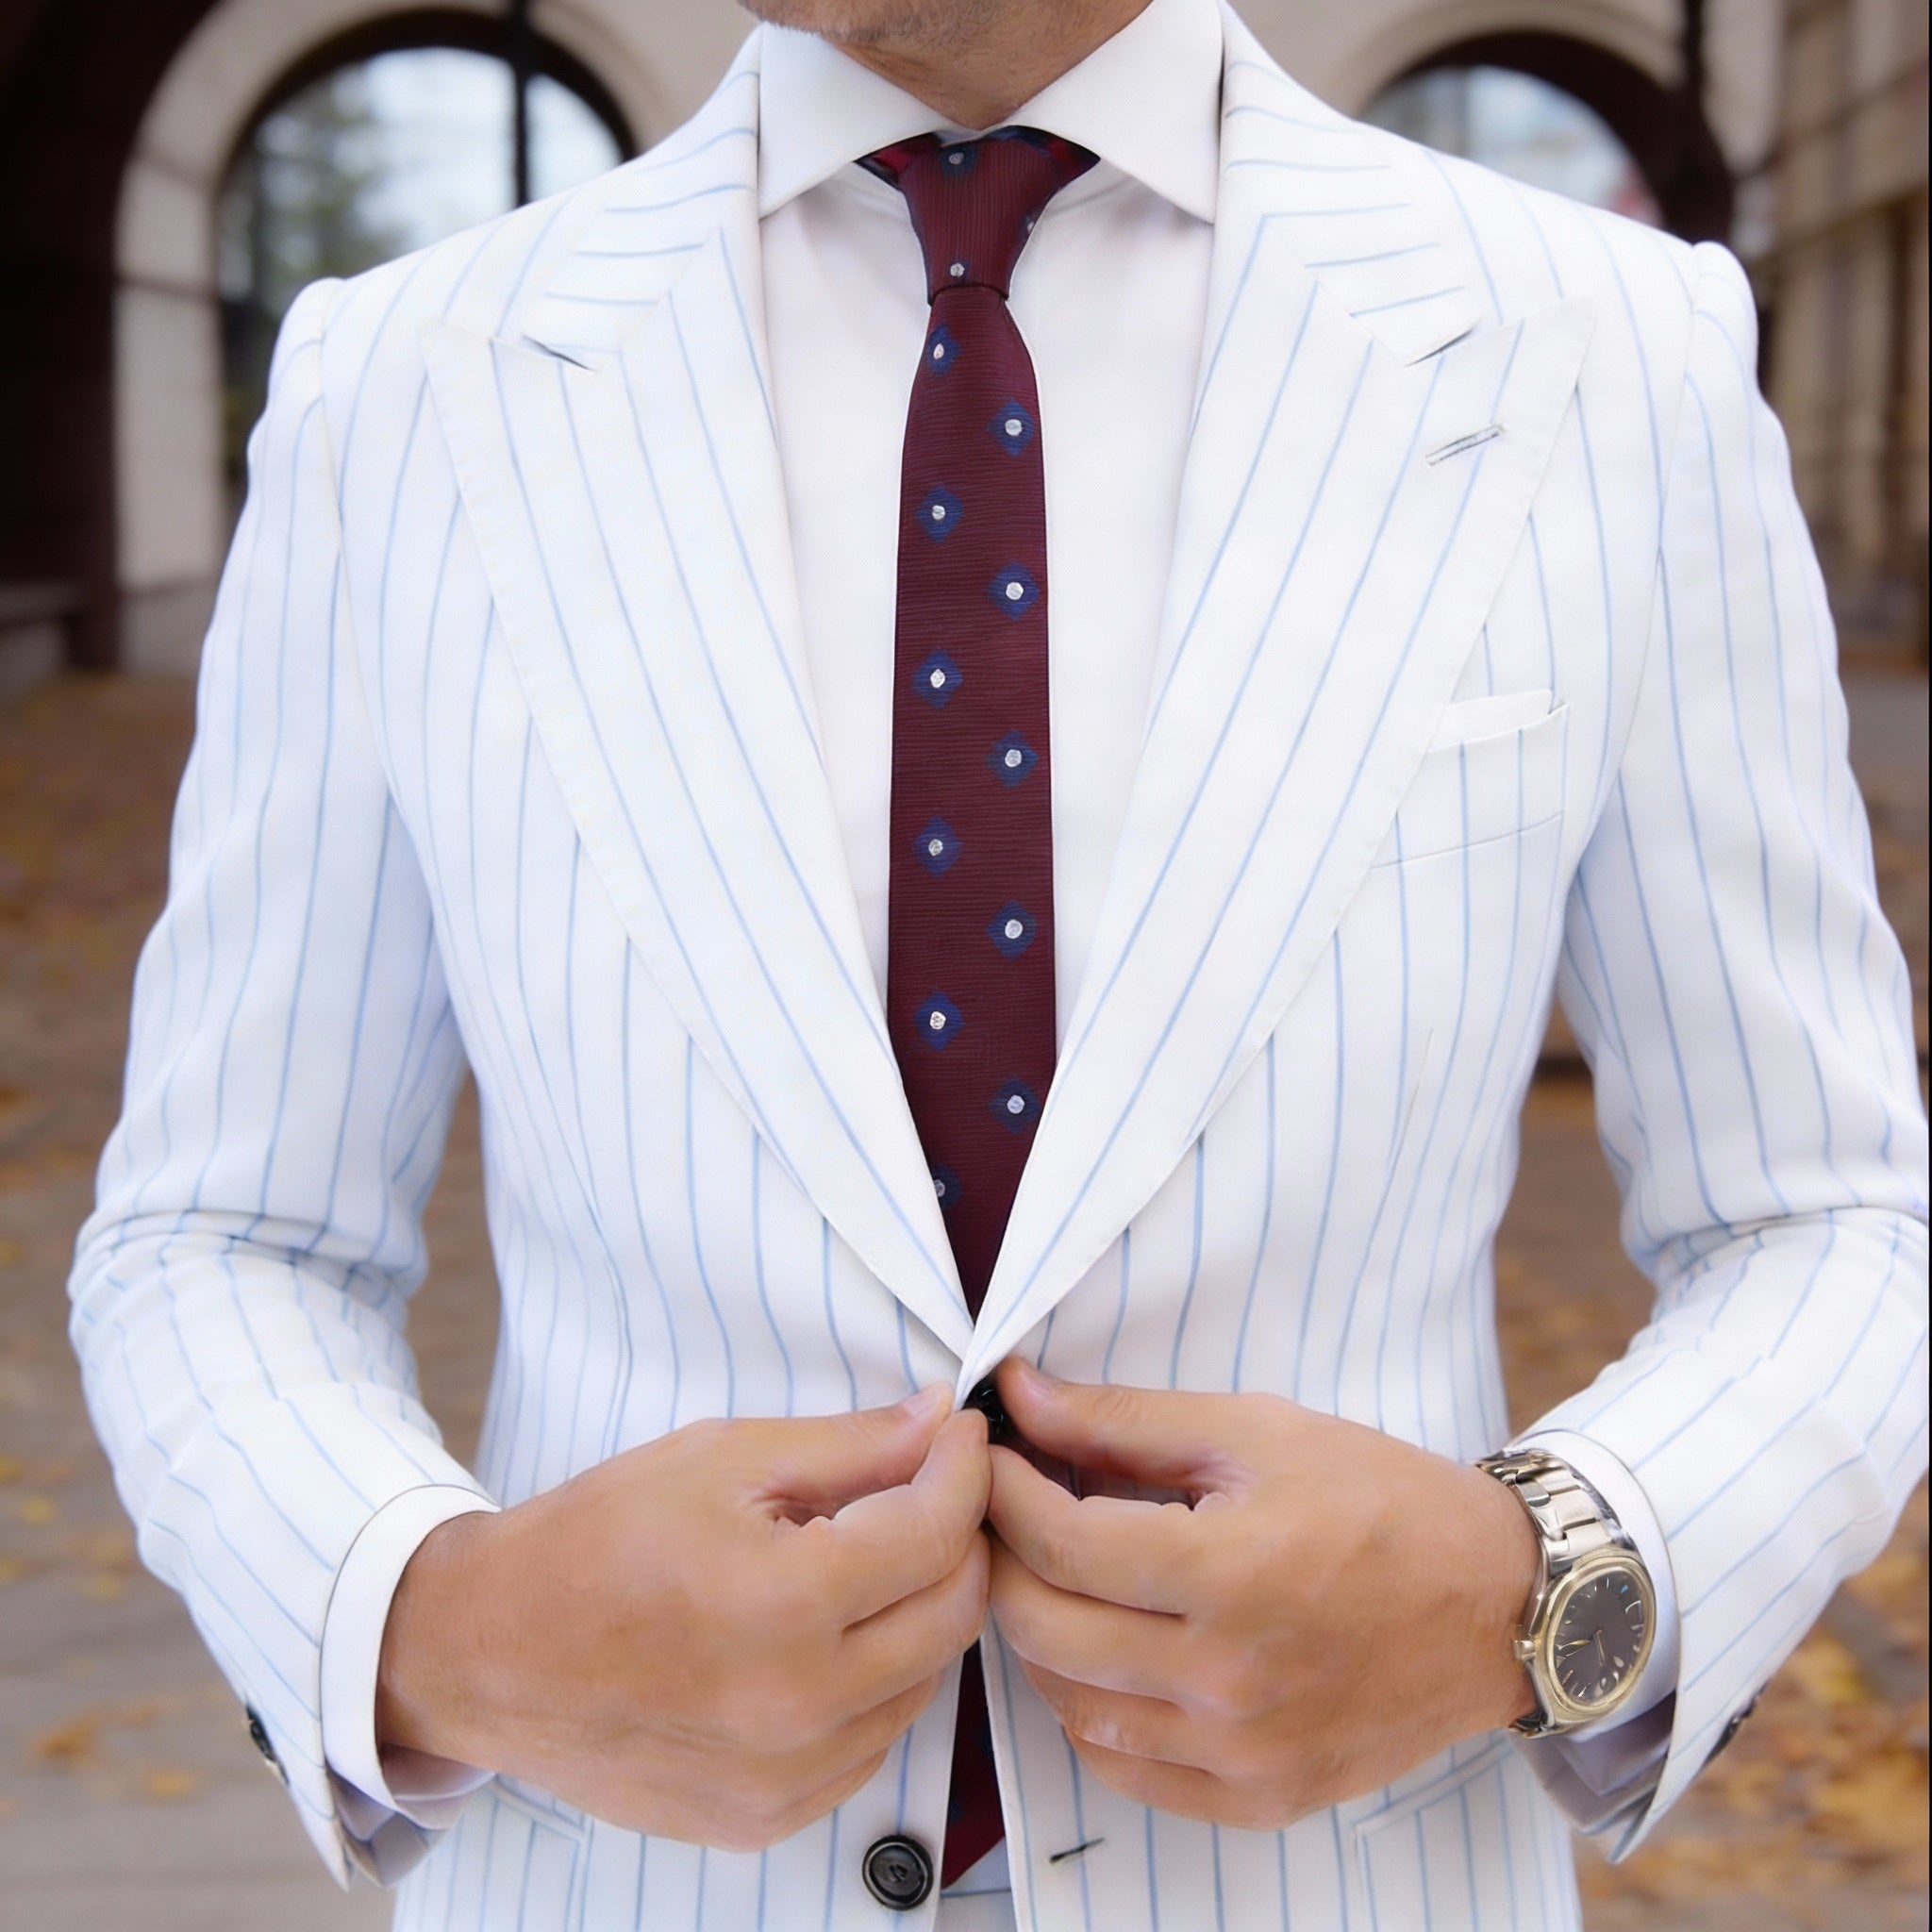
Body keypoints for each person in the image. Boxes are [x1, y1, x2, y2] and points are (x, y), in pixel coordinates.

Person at [70, 0, 1927, 1925]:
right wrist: (430, 1624)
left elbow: (1826, 1210)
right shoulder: (402, 388)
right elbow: (222, 1234)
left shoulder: (1609, 356)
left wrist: (1536, 1587)